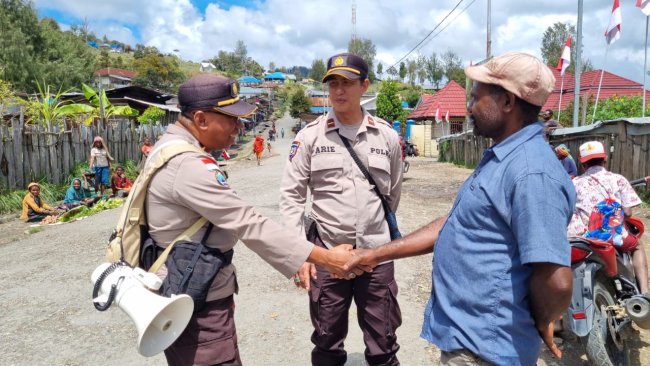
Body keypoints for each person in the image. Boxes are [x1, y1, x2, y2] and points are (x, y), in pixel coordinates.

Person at [344, 52, 576, 365]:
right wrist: (372, 255)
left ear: (507, 102)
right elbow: (454, 224)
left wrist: (541, 320)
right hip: (471, 344)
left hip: (486, 351)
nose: (469, 108)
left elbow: (556, 280)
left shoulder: (531, 172)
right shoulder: (502, 158)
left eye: (477, 98)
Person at [146, 73, 358, 366]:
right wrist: (326, 259)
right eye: (231, 118)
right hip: (196, 298)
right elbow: (248, 222)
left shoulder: (170, 147)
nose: (238, 127)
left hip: (191, 287)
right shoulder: (187, 164)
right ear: (201, 119)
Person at [280, 52, 403, 366]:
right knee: (326, 340)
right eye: (333, 83)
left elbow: (392, 195)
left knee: (383, 343)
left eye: (347, 82)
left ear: (364, 85)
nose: (338, 90)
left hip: (376, 255)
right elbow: (292, 197)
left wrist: (376, 238)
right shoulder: (309, 138)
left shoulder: (387, 137)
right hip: (328, 255)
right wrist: (301, 254)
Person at [567, 140, 649, 294]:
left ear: (582, 163)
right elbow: (628, 212)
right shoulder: (618, 179)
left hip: (583, 237)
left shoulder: (574, 183)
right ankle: (645, 293)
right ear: (605, 159)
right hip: (611, 235)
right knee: (637, 246)